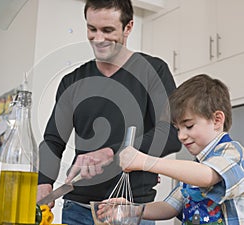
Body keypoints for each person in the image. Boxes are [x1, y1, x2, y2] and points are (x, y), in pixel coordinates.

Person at [37, 0, 181, 224]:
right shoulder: (72, 81)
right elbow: (54, 139)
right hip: (77, 209)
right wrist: (43, 181)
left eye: (108, 30)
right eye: (91, 29)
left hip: (131, 210)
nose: (98, 39)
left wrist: (112, 152)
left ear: (128, 27)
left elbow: (171, 134)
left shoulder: (153, 71)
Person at [116, 74, 244, 224]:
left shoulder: (231, 152)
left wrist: (145, 161)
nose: (181, 136)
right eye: (178, 129)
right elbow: (169, 206)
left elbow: (207, 176)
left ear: (217, 120)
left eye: (188, 126)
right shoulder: (195, 166)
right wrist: (134, 210)